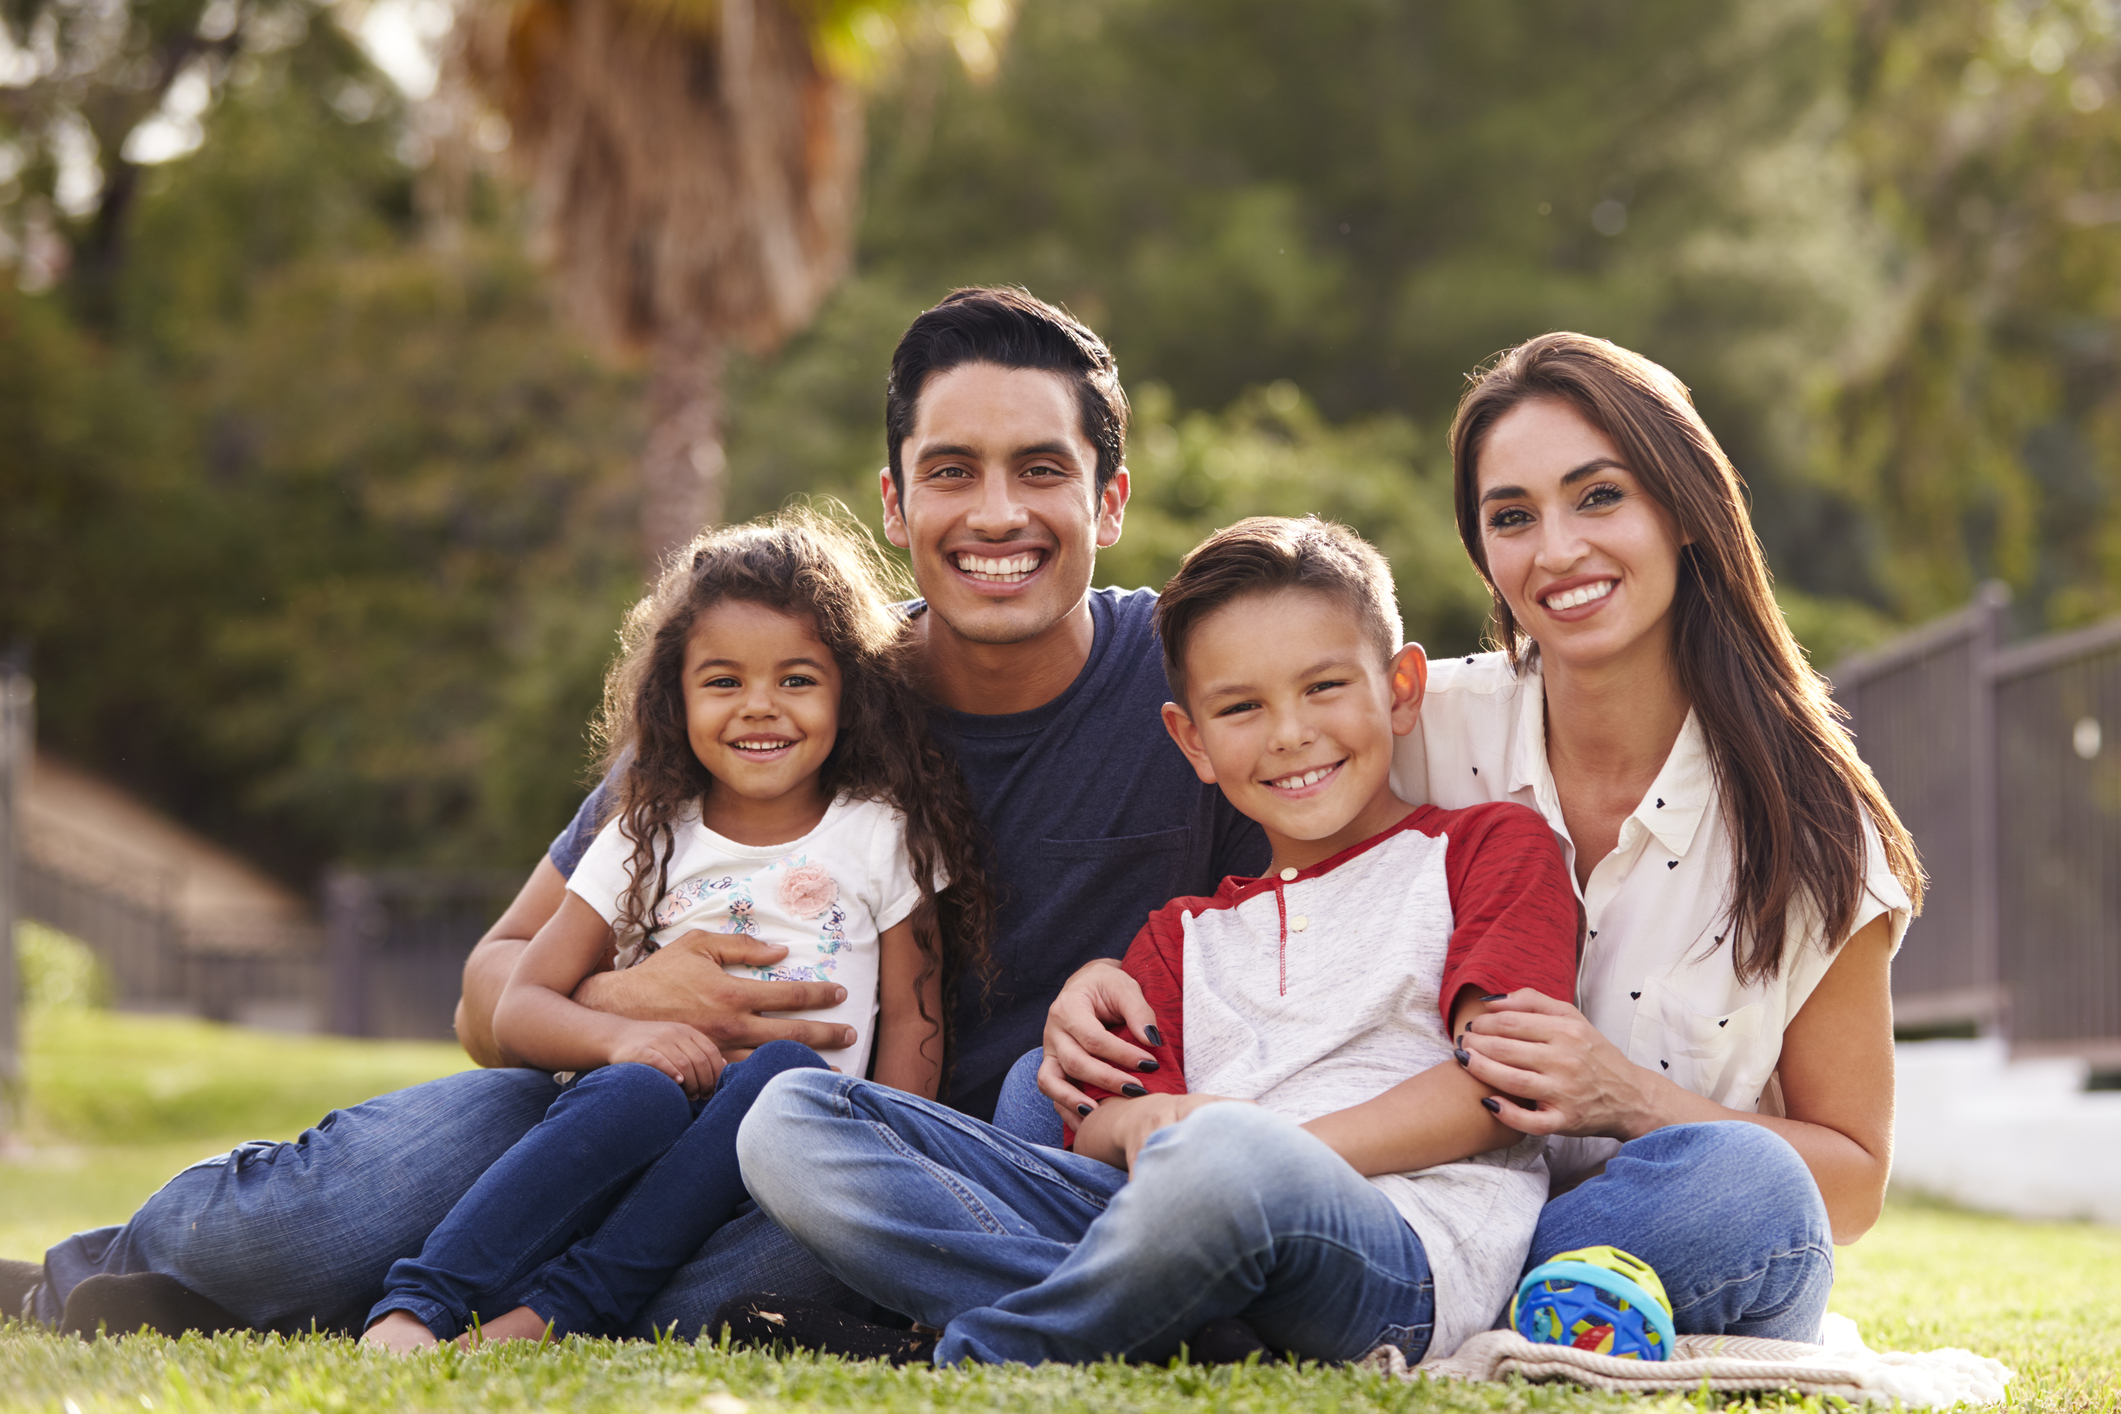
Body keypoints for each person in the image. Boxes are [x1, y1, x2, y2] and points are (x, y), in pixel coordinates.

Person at [14, 286, 1266, 1340]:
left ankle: (468, 1303)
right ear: (895, 506)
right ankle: (76, 1283)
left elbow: (1354, 750)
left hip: (871, 1178)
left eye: (1041, 471)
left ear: (1107, 503)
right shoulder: (789, 700)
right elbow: (483, 993)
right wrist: (626, 1002)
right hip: (624, 1107)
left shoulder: (1195, 682)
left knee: (767, 1279)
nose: (997, 513)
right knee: (329, 1210)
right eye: (953, 472)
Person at [1031, 331, 1922, 1345]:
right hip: (1384, 1194)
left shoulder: (1812, 826)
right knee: (1046, 1091)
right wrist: (1102, 977)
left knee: (1747, 1187)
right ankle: (1301, 1288)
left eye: (1599, 497)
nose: (1557, 550)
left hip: (1609, 1232)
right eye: (1512, 516)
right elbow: (1255, 884)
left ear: (1683, 509)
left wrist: (1622, 1094)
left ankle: (1345, 1303)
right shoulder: (1417, 720)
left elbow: (1849, 1182)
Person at [728, 516, 1584, 1367]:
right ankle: (1177, 1332)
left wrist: (1242, 1147)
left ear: (1398, 689)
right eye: (1241, 707)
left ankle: (980, 1353)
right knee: (792, 1118)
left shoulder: (1486, 847)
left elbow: (1496, 1087)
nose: (1288, 733)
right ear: (1192, 742)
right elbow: (1100, 1132)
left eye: (1323, 687)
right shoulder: (1180, 936)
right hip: (1165, 1219)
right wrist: (1155, 1127)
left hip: (1393, 1247)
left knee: (1216, 1162)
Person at [359, 510, 994, 1352]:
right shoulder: (645, 833)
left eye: (797, 679)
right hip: (641, 1120)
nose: (759, 707)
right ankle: (418, 1308)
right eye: (723, 682)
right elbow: (519, 1007)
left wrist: (888, 1160)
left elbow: (917, 1021)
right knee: (635, 1089)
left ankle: (555, 1314)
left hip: (787, 1150)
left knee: (785, 1072)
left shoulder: (881, 833)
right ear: (676, 695)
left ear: (850, 689)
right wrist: (624, 1040)